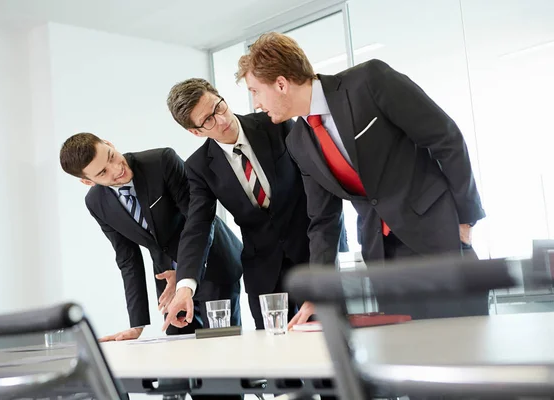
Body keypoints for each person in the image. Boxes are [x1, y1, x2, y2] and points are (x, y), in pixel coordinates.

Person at [236, 32, 487, 324]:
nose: (255, 104)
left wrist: (466, 219)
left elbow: (447, 138)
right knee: (407, 357)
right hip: (381, 258)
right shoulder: (298, 143)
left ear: (281, 84)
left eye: (255, 91)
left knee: (464, 343)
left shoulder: (369, 81)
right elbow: (323, 222)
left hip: (437, 236)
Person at [59, 133, 243, 341]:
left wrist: (183, 276)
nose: (116, 169)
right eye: (102, 172)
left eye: (111, 156)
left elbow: (198, 222)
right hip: (168, 279)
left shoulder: (161, 162)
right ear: (87, 181)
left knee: (220, 347)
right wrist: (137, 325)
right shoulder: (96, 203)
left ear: (109, 143)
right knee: (178, 354)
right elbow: (127, 258)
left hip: (213, 263)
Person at [163, 78, 312, 331]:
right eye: (208, 120)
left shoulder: (274, 122)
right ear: (196, 132)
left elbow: (316, 179)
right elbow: (198, 226)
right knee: (278, 358)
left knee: (330, 347)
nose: (221, 120)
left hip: (312, 251)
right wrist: (185, 286)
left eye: (218, 107)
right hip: (264, 269)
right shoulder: (198, 167)